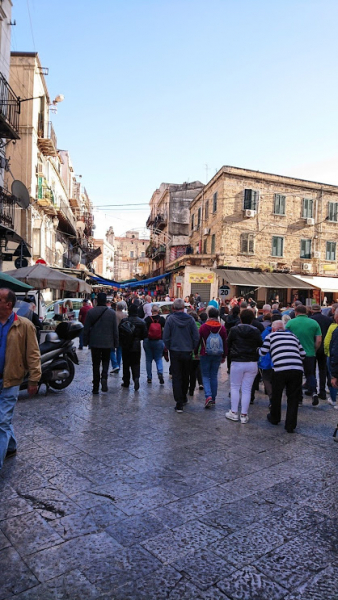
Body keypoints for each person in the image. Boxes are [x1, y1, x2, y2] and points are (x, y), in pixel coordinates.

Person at [0, 288, 41, 470]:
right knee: (4, 420)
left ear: (8, 304)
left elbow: (33, 354)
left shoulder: (23, 325)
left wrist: (34, 379)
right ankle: (11, 446)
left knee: (1, 422)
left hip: (11, 379)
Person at [259, 320, 305, 433]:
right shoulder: (293, 336)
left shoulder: (271, 336)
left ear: (274, 329)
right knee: (293, 397)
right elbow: (303, 354)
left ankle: (275, 418)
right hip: (297, 369)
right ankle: (290, 425)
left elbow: (262, 352)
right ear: (283, 328)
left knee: (276, 394)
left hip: (280, 370)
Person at [226, 309, 263, 424]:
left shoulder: (234, 330)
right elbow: (260, 344)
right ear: (252, 320)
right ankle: (244, 414)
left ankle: (233, 412)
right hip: (251, 362)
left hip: (237, 361)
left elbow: (228, 343)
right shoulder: (256, 331)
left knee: (235, 387)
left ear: (240, 318)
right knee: (247, 389)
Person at [163, 298, 199, 412]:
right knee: (185, 375)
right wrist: (193, 347)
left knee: (177, 376)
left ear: (173, 308)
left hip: (175, 351)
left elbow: (166, 336)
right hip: (187, 351)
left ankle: (179, 403)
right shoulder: (191, 320)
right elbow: (196, 336)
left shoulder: (170, 320)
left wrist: (168, 347)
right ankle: (183, 397)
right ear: (184, 308)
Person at [285, 304, 322, 406]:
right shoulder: (314, 323)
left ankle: (299, 398)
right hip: (310, 353)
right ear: (306, 312)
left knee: (297, 376)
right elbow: (319, 340)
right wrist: (314, 349)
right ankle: (314, 392)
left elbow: (285, 336)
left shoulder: (290, 323)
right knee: (310, 374)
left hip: (294, 353)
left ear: (296, 312)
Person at [83, 292, 118, 394]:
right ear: (106, 301)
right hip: (107, 343)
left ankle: (95, 386)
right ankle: (104, 377)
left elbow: (86, 329)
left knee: (96, 364)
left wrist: (85, 342)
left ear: (96, 301)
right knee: (106, 362)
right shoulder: (112, 313)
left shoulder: (91, 312)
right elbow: (115, 330)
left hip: (95, 342)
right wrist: (116, 343)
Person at [198, 307, 227, 408]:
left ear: (208, 315)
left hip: (205, 353)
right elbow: (225, 342)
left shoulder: (204, 327)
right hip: (217, 354)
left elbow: (198, 340)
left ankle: (208, 396)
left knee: (205, 375)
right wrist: (224, 355)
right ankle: (213, 399)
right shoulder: (222, 328)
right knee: (214, 375)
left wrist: (195, 352)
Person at [120, 304, 147, 390]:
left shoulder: (124, 321)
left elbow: (119, 332)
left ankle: (126, 381)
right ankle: (136, 379)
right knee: (136, 363)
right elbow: (145, 335)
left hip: (126, 345)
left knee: (126, 363)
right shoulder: (142, 322)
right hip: (136, 345)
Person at [310, 304, 331, 400]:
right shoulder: (328, 320)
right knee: (323, 370)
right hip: (324, 347)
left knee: (312, 369)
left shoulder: (310, 320)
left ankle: (312, 389)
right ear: (321, 310)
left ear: (312, 310)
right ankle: (322, 391)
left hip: (313, 347)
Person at [143, 304, 165, 384]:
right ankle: (160, 372)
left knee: (148, 360)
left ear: (151, 311)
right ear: (158, 311)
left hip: (148, 340)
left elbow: (144, 330)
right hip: (159, 341)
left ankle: (149, 377)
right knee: (158, 358)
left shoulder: (147, 319)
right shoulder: (162, 319)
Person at [324, 307, 338, 407]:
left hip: (332, 356)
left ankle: (334, 400)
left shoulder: (334, 328)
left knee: (333, 378)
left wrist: (326, 353)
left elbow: (327, 342)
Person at [110, 300, 128, 374]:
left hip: (113, 334)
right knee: (119, 351)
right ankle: (118, 365)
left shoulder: (113, 314)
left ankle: (115, 365)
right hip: (122, 335)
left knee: (111, 350)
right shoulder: (125, 315)